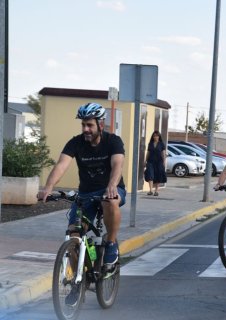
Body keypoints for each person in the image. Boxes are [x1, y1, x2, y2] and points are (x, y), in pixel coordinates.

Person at [38, 102, 126, 269]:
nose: (85, 129)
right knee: (73, 236)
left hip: (112, 190)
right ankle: (78, 283)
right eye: (83, 125)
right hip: (86, 193)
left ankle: (111, 244)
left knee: (111, 201)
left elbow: (117, 165)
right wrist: (48, 187)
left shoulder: (113, 141)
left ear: (101, 124)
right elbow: (61, 165)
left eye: (89, 125)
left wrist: (112, 185)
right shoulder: (76, 143)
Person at [144, 130, 167, 196]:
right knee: (150, 175)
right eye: (154, 136)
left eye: (157, 136)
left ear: (159, 136)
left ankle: (156, 191)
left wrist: (164, 162)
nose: (155, 137)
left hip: (159, 162)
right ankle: (151, 190)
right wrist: (145, 160)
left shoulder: (161, 144)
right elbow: (148, 153)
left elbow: (163, 154)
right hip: (150, 161)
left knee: (158, 175)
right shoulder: (150, 144)